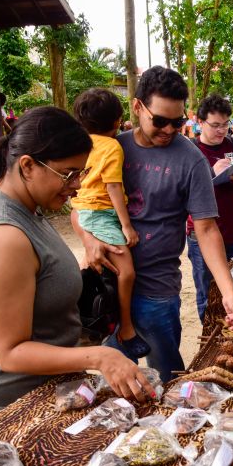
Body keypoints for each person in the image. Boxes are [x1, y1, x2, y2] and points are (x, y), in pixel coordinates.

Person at [0, 106, 156, 423]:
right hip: (14, 403)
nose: (77, 185)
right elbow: (9, 352)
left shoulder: (22, 202)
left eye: (81, 173)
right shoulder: (4, 238)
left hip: (51, 387)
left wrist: (91, 240)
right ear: (27, 166)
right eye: (69, 174)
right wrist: (101, 356)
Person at [72, 66, 233, 382]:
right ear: (138, 107)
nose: (169, 130)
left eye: (178, 122)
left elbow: (206, 229)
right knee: (116, 384)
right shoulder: (111, 149)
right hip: (109, 289)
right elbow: (78, 206)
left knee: (167, 378)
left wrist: (227, 290)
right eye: (160, 121)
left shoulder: (191, 159)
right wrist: (87, 238)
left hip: (158, 292)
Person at [70, 88, 148, 362]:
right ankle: (126, 328)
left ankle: (84, 326)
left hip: (85, 211)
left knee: (94, 268)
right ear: (118, 121)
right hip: (101, 213)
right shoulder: (112, 146)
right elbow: (113, 186)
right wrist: (127, 226)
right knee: (125, 272)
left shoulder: (79, 143)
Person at [187, 94, 233, 323]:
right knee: (207, 293)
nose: (221, 130)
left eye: (225, 124)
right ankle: (209, 338)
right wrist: (211, 172)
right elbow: (182, 192)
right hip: (200, 234)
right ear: (200, 122)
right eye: (215, 125)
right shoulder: (190, 150)